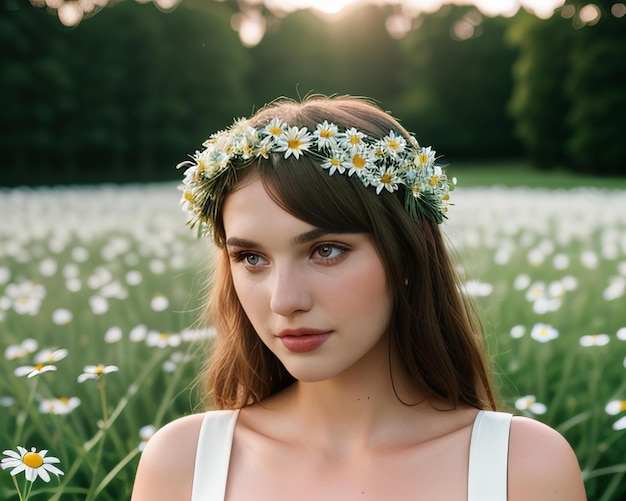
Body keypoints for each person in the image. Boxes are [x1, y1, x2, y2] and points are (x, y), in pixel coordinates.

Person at [131, 96, 586, 501]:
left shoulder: (524, 468)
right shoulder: (183, 465)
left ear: (407, 255)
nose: (283, 300)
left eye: (325, 250)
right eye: (251, 258)